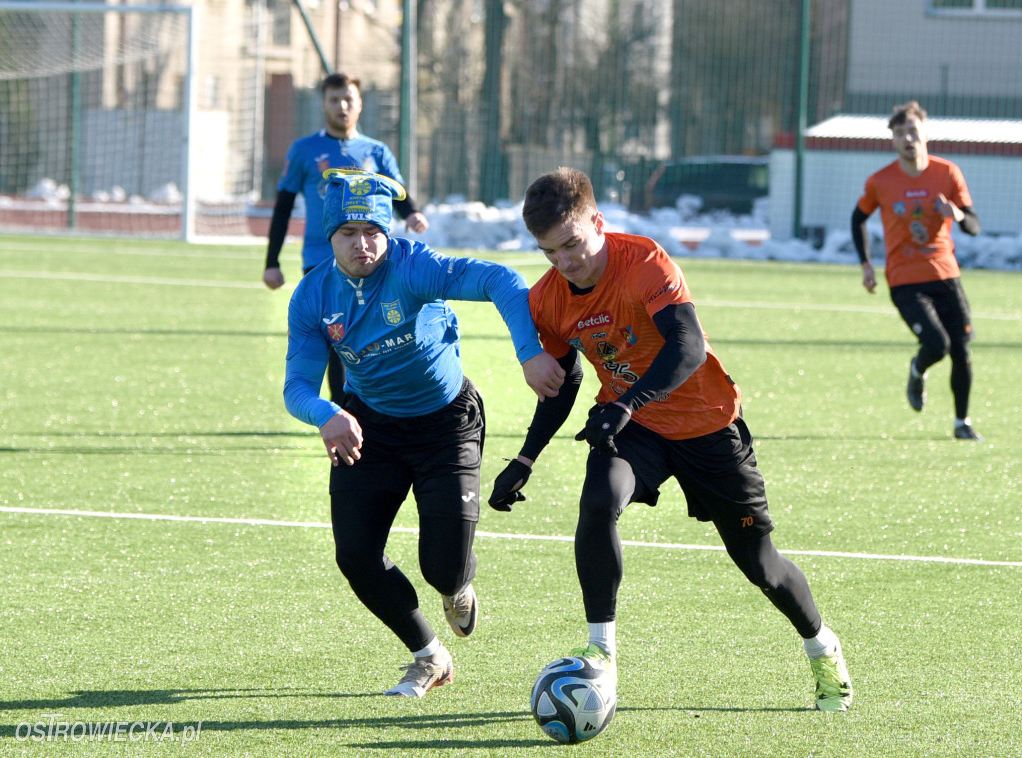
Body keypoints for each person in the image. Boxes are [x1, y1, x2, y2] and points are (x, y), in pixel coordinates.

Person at [487, 167, 853, 712]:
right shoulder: (548, 300)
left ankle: (823, 648)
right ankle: (601, 651)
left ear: (598, 222)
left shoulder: (645, 262)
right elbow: (564, 385)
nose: (565, 262)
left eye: (572, 244)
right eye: (548, 253)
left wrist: (627, 403)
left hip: (708, 425)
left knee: (760, 564)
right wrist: (526, 456)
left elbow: (688, 347)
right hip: (637, 431)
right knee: (597, 501)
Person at [284, 168, 564, 698]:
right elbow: (296, 385)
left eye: (373, 231)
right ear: (329, 238)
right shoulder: (313, 297)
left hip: (447, 424)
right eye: (348, 233)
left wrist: (529, 353)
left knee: (442, 568)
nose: (363, 243)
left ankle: (457, 586)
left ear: (387, 231)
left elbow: (500, 280)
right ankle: (429, 656)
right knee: (356, 556)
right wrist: (327, 413)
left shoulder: (414, 266)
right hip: (369, 427)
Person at [266, 72, 429, 402]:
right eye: (334, 99)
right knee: (333, 337)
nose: (341, 106)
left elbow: (395, 194)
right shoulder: (304, 150)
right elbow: (283, 207)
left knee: (377, 334)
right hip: (320, 260)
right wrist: (272, 262)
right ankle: (342, 413)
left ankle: (379, 407)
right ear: (323, 104)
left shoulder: (376, 151)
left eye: (348, 99)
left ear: (359, 104)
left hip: (370, 260)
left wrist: (411, 212)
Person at [851, 100, 983, 441]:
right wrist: (866, 263)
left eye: (912, 130)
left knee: (962, 349)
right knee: (937, 344)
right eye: (900, 133)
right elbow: (858, 219)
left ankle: (962, 423)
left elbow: (973, 225)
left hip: (946, 275)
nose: (907, 138)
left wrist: (955, 214)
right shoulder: (881, 181)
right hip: (905, 279)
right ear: (893, 141)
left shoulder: (947, 172)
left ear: (925, 132)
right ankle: (918, 367)